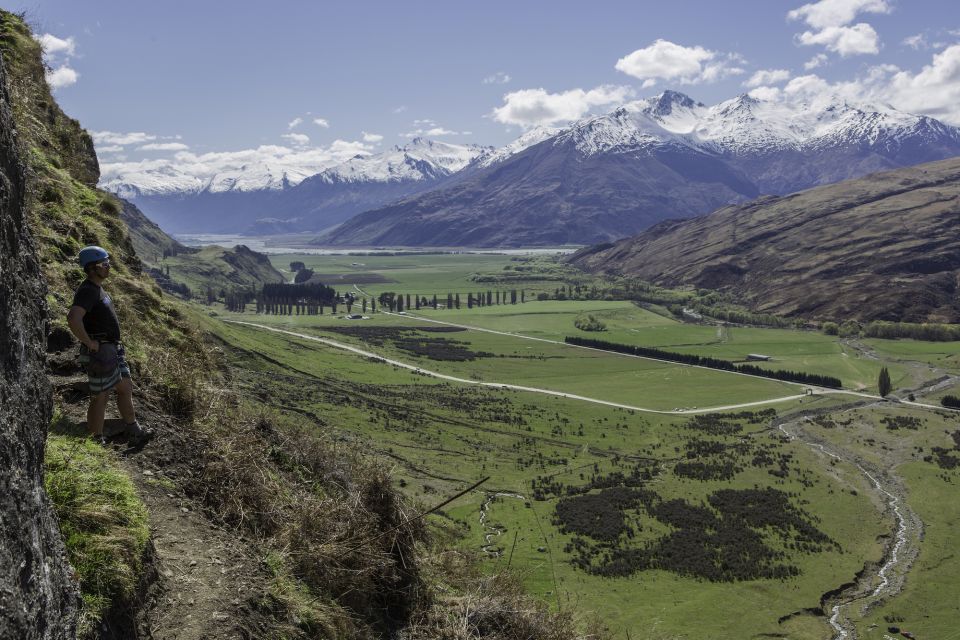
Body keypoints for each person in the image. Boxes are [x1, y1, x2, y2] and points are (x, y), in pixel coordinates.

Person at [66, 246, 152, 447]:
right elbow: (73, 318)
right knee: (100, 396)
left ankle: (133, 429)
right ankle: (96, 440)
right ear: (92, 268)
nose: (109, 267)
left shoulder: (97, 288)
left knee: (125, 386)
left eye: (108, 263)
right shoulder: (87, 290)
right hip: (101, 352)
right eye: (104, 264)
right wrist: (88, 342)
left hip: (112, 350)